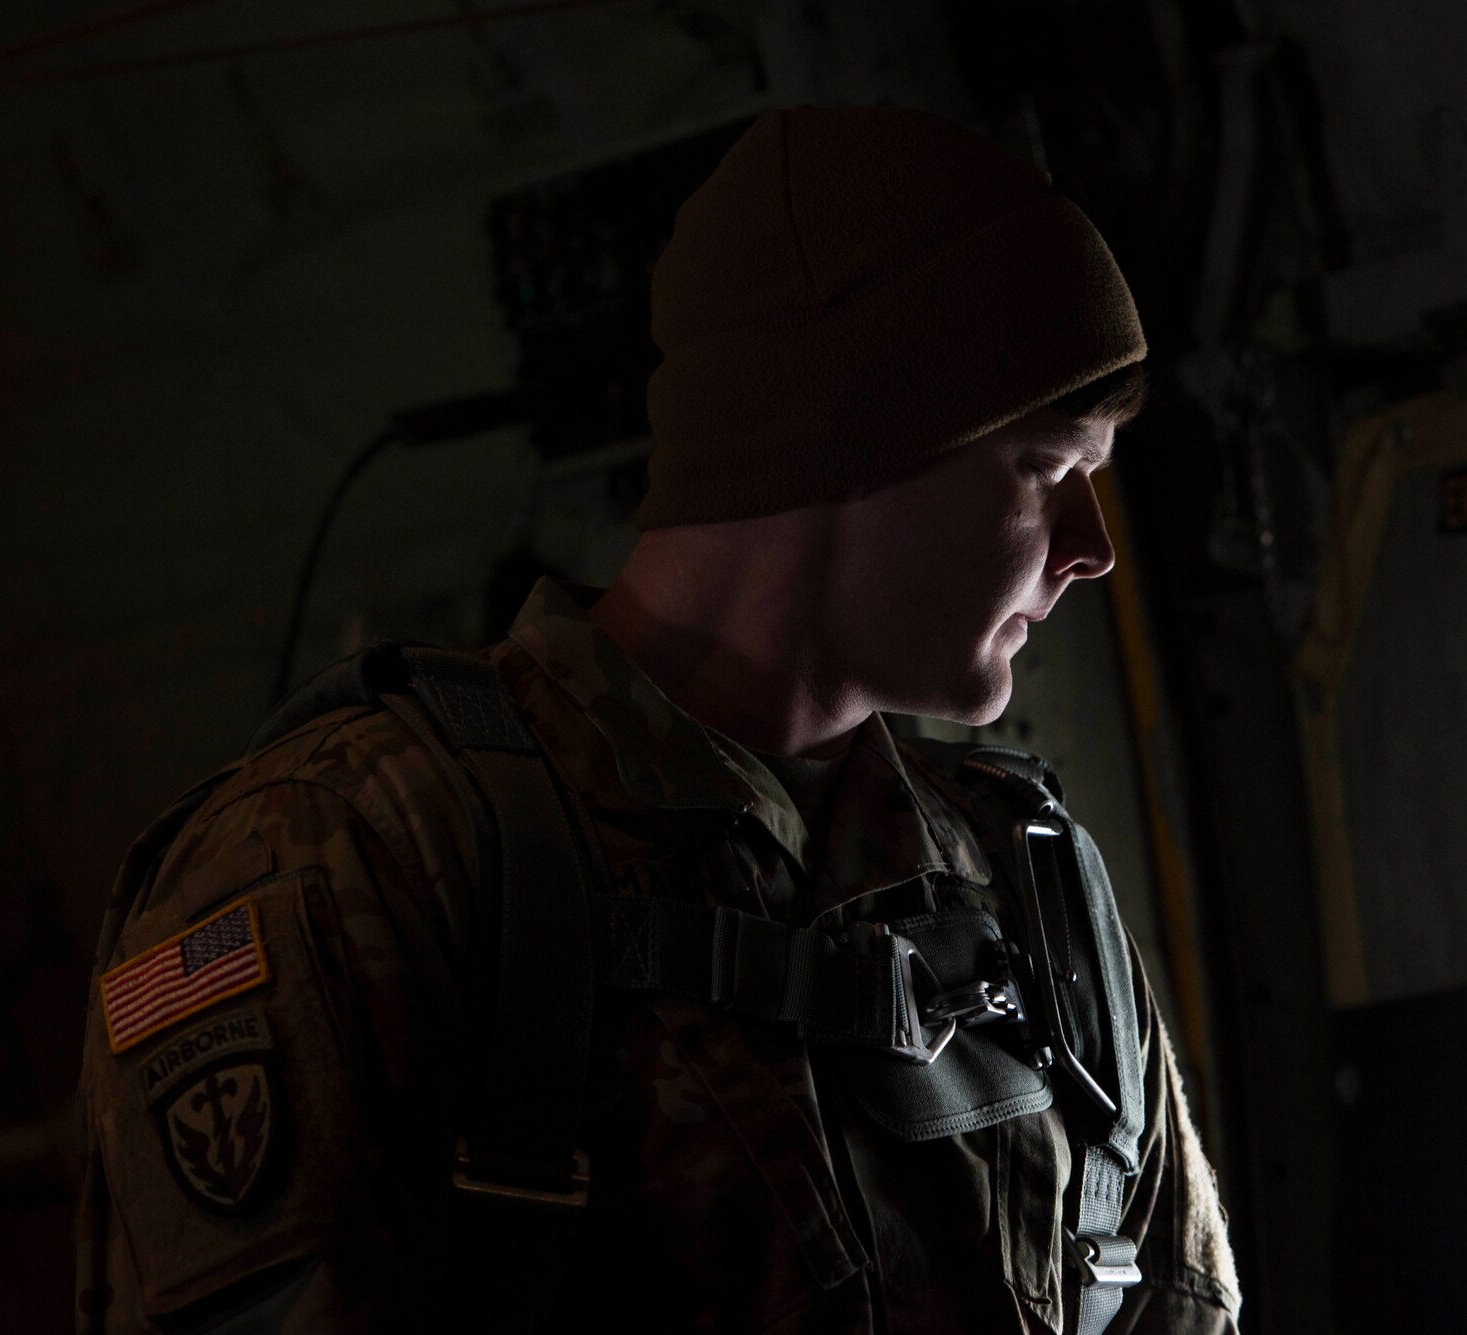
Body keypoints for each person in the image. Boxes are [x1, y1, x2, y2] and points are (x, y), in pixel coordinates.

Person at [76, 105, 1241, 1333]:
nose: (1090, 552)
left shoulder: (1028, 889)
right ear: (852, 436)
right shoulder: (349, 859)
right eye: (1049, 470)